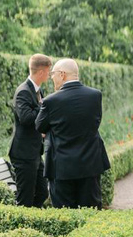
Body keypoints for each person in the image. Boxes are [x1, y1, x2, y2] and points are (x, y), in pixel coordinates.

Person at [36, 59, 110, 208]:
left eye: (53, 74)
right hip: (90, 163)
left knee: (65, 214)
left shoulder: (51, 101)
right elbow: (94, 123)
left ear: (62, 74)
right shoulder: (95, 95)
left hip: (61, 167)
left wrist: (52, 129)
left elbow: (39, 126)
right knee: (91, 212)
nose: (51, 77)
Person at [9, 54, 52, 208]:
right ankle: (22, 228)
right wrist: (43, 106)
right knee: (24, 199)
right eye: (48, 72)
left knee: (42, 192)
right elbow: (26, 118)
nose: (49, 75)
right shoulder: (23, 91)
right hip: (23, 154)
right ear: (41, 72)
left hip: (34, 152)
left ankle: (32, 221)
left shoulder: (38, 91)